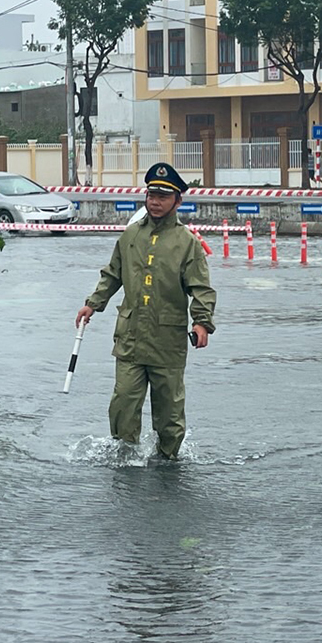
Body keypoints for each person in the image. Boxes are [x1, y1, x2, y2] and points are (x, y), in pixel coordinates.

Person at [74, 162, 217, 460]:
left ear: (177, 201)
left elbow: (201, 288)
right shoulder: (130, 237)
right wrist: (92, 304)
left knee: (169, 412)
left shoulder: (187, 244)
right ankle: (125, 457)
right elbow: (112, 274)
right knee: (123, 402)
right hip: (130, 338)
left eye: (163, 196)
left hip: (167, 340)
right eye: (151, 194)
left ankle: (169, 460)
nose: (155, 201)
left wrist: (202, 322)